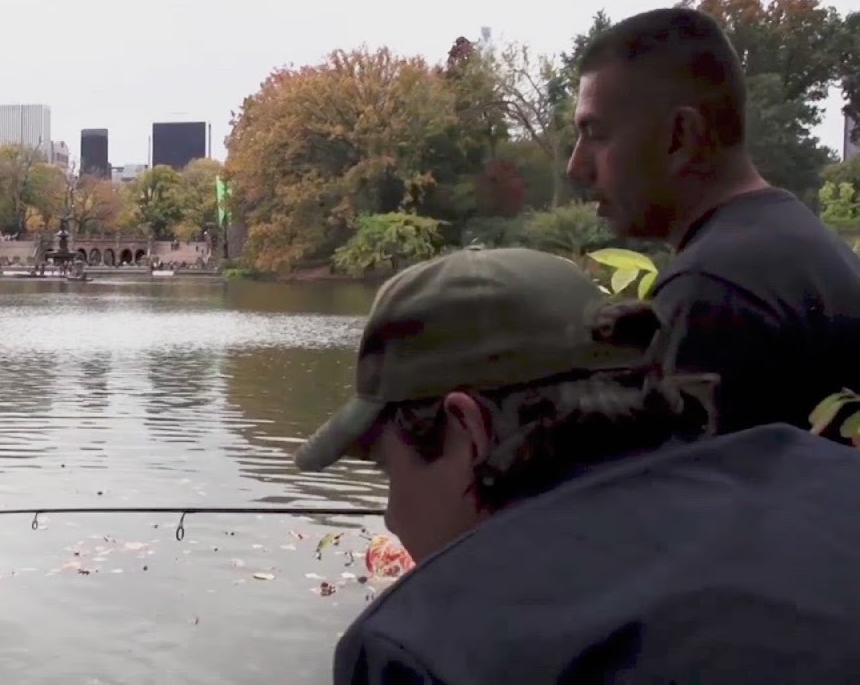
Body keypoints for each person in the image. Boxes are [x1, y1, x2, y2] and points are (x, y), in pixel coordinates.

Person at [295, 247, 860, 684]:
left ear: (468, 430)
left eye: (388, 472)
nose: (391, 516)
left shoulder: (424, 644)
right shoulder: (826, 475)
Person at [566, 7, 860, 436]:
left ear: (680, 136)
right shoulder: (799, 243)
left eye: (596, 133)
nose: (576, 166)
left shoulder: (713, 290)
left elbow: (685, 494)